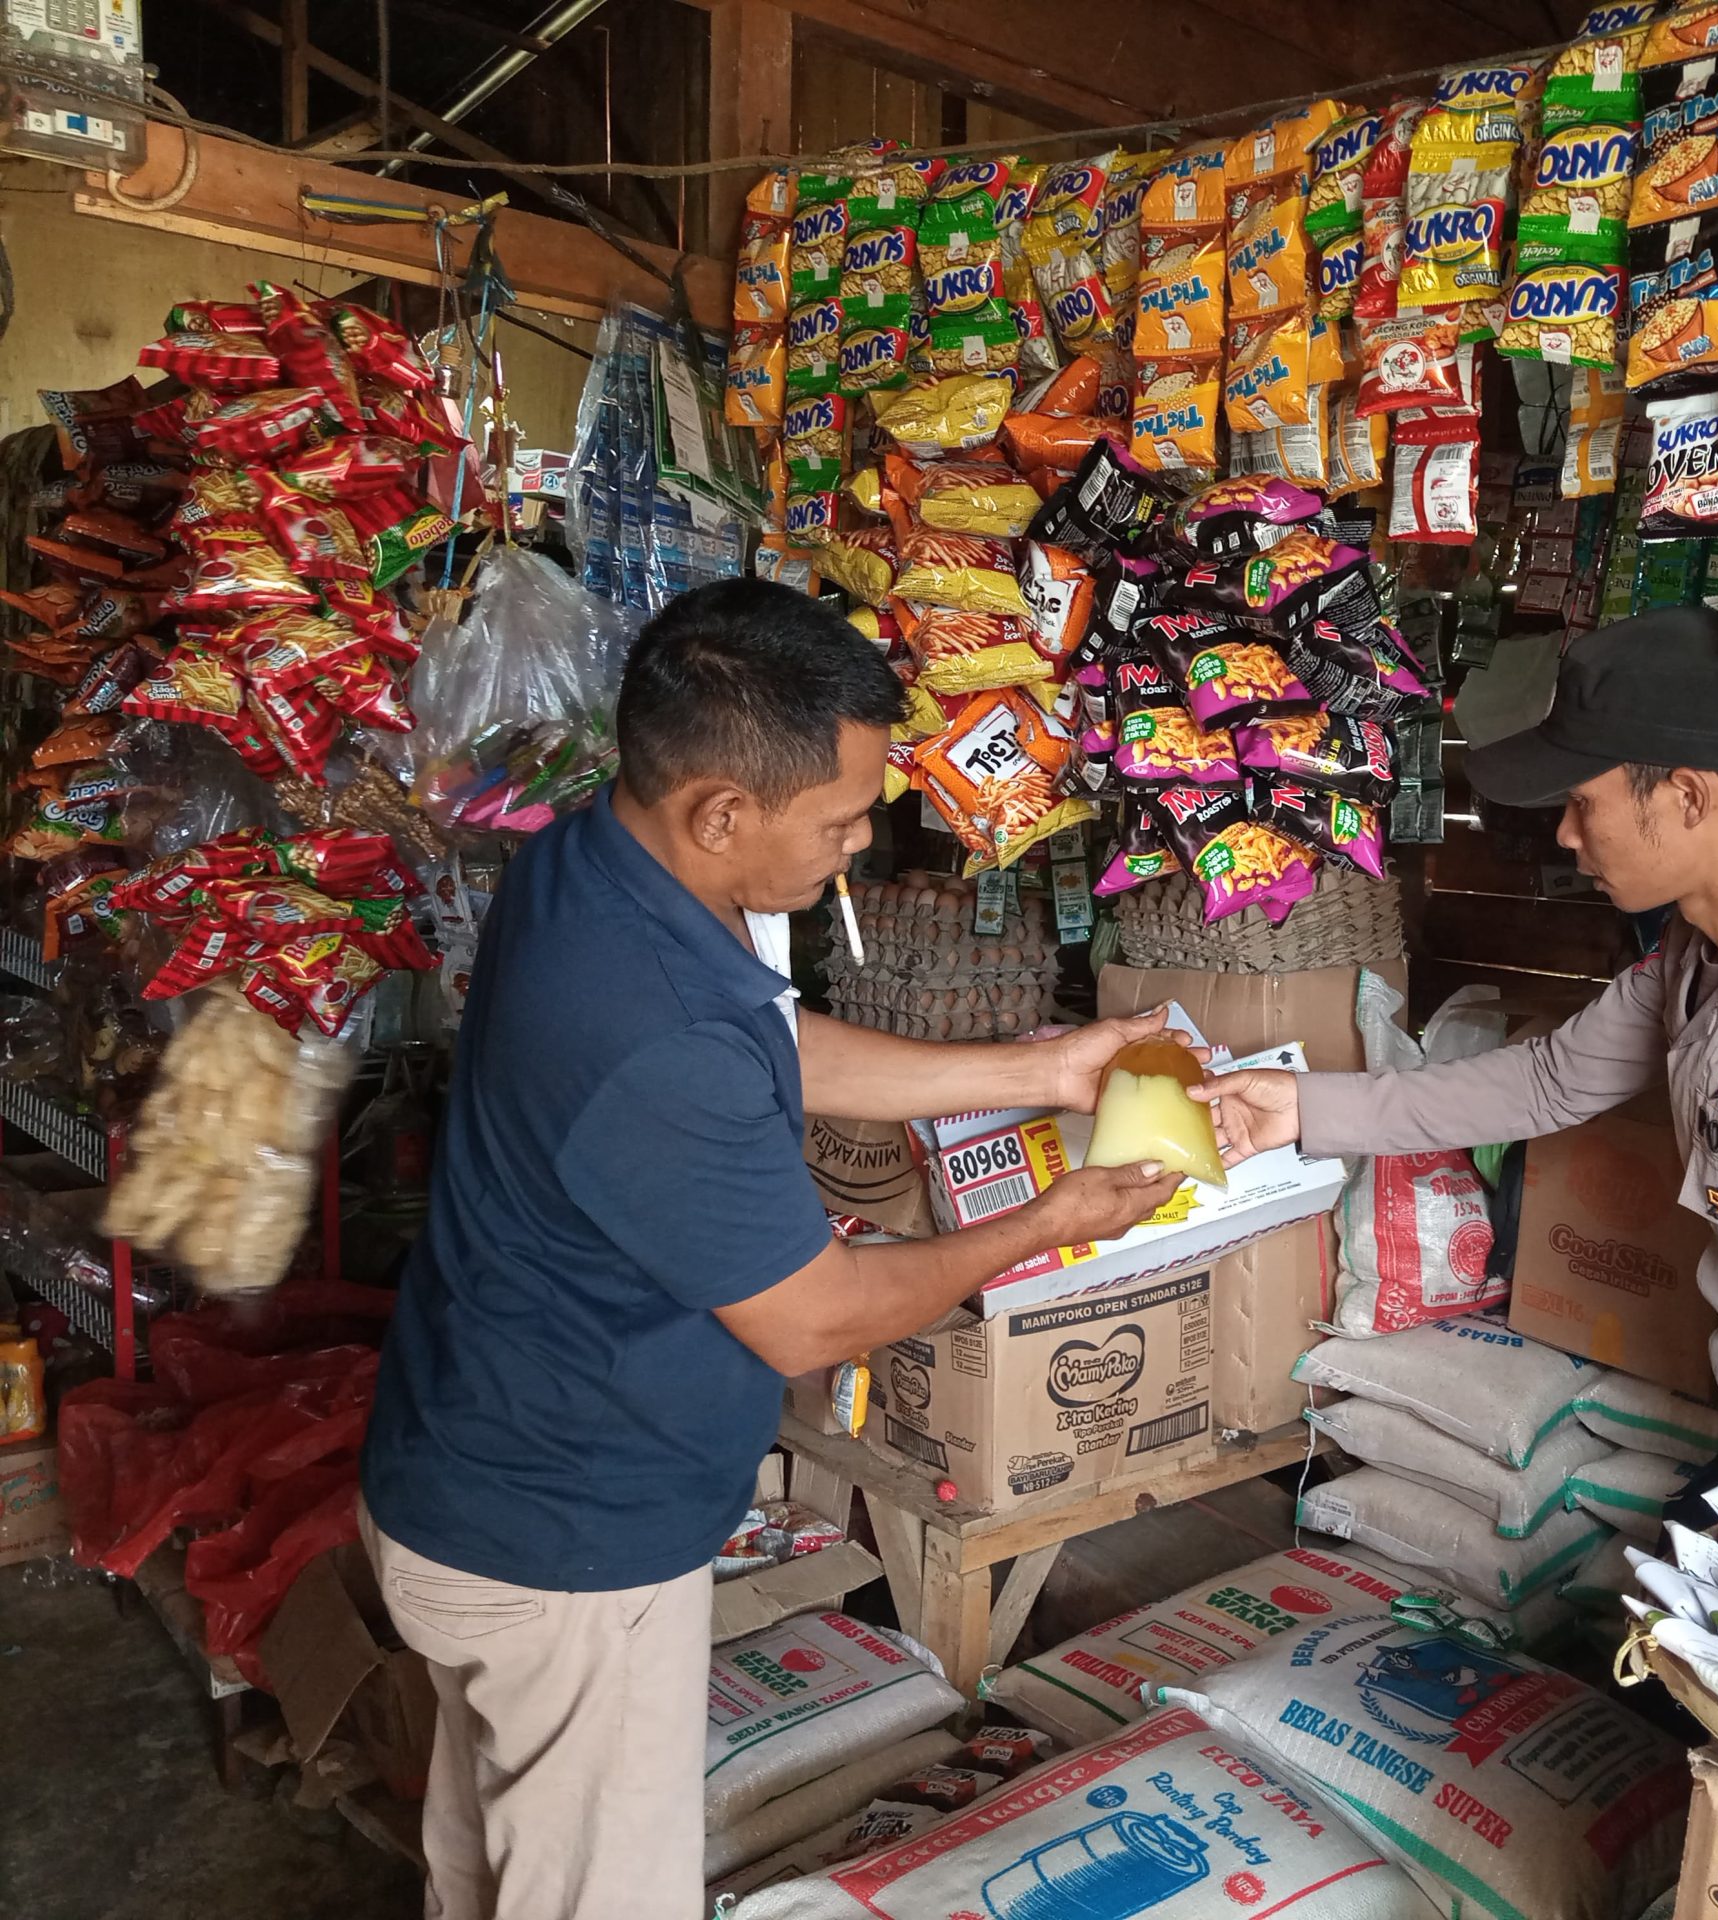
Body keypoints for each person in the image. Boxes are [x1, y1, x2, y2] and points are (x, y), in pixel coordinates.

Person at [357, 579, 1184, 1920]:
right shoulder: (654, 1030)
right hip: (566, 1543)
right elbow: (811, 1317)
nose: (856, 848)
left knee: (493, 1857)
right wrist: (1046, 1224)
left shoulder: (592, 863)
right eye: (841, 820)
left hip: (462, 1469)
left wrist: (1039, 1070)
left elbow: (773, 1051)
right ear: (721, 813)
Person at [1203, 605, 1718, 1489]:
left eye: (1583, 801)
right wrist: (1302, 1108)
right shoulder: (1705, 947)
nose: (1566, 833)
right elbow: (1550, 1080)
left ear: (1688, 796)